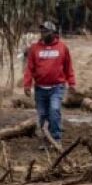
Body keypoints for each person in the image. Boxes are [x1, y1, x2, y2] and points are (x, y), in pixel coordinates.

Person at [22, 21, 76, 150]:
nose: (43, 33)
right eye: (42, 31)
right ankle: (46, 140)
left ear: (53, 32)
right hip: (40, 88)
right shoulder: (35, 48)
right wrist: (27, 85)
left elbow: (68, 67)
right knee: (42, 114)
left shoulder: (62, 47)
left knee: (55, 110)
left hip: (57, 87)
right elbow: (30, 68)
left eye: (46, 31)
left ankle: (56, 139)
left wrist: (72, 82)